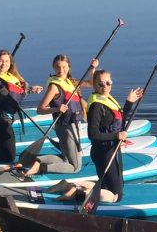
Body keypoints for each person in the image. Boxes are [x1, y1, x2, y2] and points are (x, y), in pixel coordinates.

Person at [59, 66, 143, 203]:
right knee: (116, 196)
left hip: (108, 150)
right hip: (103, 153)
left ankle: (73, 188)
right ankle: (75, 190)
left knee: (105, 187)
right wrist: (116, 136)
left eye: (108, 83)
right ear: (95, 85)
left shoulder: (106, 99)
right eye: (101, 84)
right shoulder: (97, 106)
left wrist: (129, 102)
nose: (105, 86)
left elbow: (119, 123)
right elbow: (93, 134)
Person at [0, 49, 41, 164]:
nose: (4, 64)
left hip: (9, 120)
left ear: (11, 63)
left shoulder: (12, 77)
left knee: (6, 153)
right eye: (1, 61)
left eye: (6, 61)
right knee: (9, 157)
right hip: (0, 121)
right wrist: (1, 96)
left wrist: (32, 89)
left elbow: (18, 91)